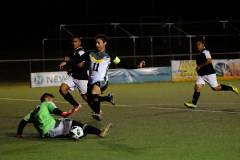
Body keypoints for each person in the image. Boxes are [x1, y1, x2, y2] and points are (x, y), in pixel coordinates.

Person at [16, 93, 112, 139]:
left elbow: (23, 122)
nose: (53, 102)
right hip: (54, 129)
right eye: (52, 100)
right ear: (47, 99)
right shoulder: (47, 103)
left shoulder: (33, 111)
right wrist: (74, 109)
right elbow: (63, 114)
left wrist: (19, 134)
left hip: (46, 135)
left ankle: (69, 134)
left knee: (62, 122)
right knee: (73, 123)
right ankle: (99, 132)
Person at [184, 38, 239, 109]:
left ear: (203, 45)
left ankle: (230, 87)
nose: (197, 46)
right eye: (196, 44)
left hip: (209, 74)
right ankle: (193, 104)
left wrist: (200, 66)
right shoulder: (199, 54)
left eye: (199, 44)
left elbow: (209, 61)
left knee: (215, 88)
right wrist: (198, 69)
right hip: (202, 75)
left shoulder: (206, 52)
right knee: (197, 87)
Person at [59, 36, 88, 111]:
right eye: (73, 42)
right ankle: (76, 105)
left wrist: (69, 60)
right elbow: (71, 60)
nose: (73, 43)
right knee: (62, 89)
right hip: (73, 76)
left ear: (79, 42)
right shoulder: (74, 51)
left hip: (81, 77)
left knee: (85, 97)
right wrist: (64, 63)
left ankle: (97, 110)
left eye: (76, 41)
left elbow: (81, 65)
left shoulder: (81, 52)